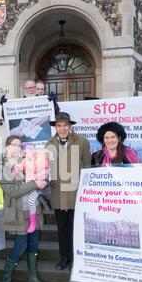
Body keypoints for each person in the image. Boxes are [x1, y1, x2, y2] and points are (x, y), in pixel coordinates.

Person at [92, 122, 140, 282]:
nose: (110, 140)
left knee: (124, 246)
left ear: (119, 138)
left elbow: (138, 178)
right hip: (104, 206)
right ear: (102, 140)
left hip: (125, 207)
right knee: (106, 245)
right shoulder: (97, 157)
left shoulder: (129, 155)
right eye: (106, 137)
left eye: (113, 137)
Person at [0, 136, 47, 282]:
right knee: (20, 247)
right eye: (13, 145)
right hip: (18, 213)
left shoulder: (28, 162)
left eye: (19, 145)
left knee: (33, 245)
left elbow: (42, 177)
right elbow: (13, 191)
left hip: (34, 210)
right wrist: (34, 184)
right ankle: (6, 281)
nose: (16, 148)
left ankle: (33, 276)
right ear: (6, 147)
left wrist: (44, 181)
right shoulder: (1, 167)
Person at [46, 112, 91, 270]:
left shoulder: (82, 142)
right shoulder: (49, 143)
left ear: (70, 126)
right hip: (58, 193)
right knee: (62, 227)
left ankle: (76, 258)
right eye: (59, 126)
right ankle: (64, 257)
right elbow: (47, 168)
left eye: (65, 125)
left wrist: (86, 190)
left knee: (76, 227)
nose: (63, 128)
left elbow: (87, 167)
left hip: (75, 193)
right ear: (55, 127)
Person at [12, 144, 50, 233]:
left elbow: (46, 170)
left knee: (31, 200)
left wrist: (41, 179)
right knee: (31, 200)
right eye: (26, 152)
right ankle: (32, 221)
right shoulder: (24, 161)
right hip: (30, 186)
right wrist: (16, 169)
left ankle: (33, 222)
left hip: (38, 186)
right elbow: (19, 166)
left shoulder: (40, 159)